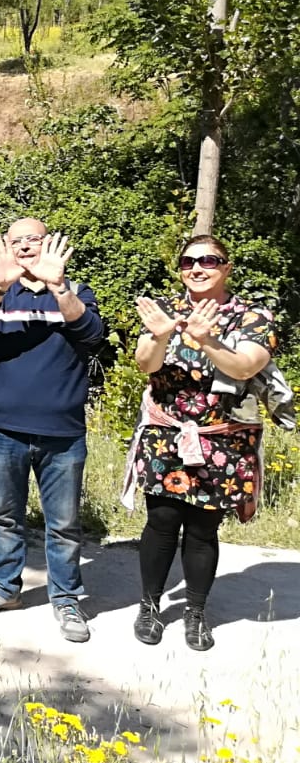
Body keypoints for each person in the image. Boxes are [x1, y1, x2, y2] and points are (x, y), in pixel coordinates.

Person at [125, 235, 278, 651]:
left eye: (209, 260)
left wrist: (208, 340)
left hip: (221, 442)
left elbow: (246, 365)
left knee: (202, 527)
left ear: (226, 267)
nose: (197, 268)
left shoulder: (251, 317)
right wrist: (159, 337)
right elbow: (145, 364)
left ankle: (195, 612)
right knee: (160, 523)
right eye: (188, 261)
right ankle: (150, 606)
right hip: (167, 435)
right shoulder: (165, 311)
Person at [0, 220, 106, 644]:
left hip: (62, 432)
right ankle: (5, 588)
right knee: (4, 515)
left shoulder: (75, 291)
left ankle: (65, 598)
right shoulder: (1, 293)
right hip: (4, 427)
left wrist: (60, 288)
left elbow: (93, 334)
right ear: (7, 248)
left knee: (63, 524)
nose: (24, 245)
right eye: (15, 240)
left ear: (49, 245)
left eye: (33, 239)